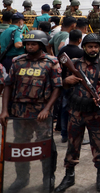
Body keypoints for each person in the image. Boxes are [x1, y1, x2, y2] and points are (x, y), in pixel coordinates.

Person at [0, 30, 62, 192]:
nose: (29, 46)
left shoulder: (51, 62)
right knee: (20, 146)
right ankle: (22, 178)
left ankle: (48, 177)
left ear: (41, 45)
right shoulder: (17, 62)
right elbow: (8, 85)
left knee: (46, 146)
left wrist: (47, 109)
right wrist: (4, 110)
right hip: (19, 113)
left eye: (33, 44)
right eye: (27, 44)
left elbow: (57, 88)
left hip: (41, 113)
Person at [55, 34, 100, 192]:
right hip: (76, 112)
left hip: (96, 112)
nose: (93, 49)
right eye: (90, 46)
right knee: (72, 145)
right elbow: (60, 84)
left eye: (96, 46)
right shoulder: (74, 64)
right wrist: (66, 82)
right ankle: (69, 176)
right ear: (84, 47)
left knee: (99, 146)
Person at [56, 29, 85, 143]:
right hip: (77, 85)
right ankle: (76, 135)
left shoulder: (63, 50)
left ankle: (64, 134)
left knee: (64, 108)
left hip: (64, 82)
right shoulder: (81, 52)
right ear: (79, 40)